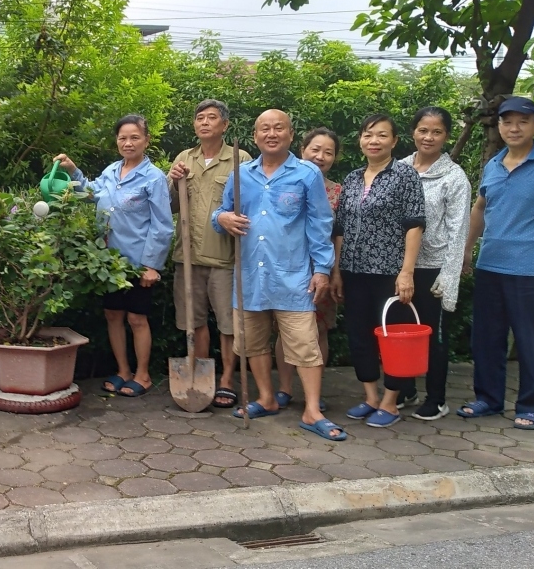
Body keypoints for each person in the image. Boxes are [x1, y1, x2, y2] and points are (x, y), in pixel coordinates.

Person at [211, 109, 344, 441]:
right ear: (255, 136)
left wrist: (323, 270)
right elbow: (220, 212)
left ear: (290, 133)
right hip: (250, 277)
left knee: (304, 345)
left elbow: (319, 224)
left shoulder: (306, 174)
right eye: (265, 129)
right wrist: (223, 219)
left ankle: (312, 410)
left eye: (279, 128)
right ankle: (266, 399)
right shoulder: (241, 175)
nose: (272, 134)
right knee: (253, 344)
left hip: (294, 276)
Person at [460, 97, 534, 430]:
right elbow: (480, 207)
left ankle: (531, 405)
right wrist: (467, 248)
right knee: (486, 337)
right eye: (507, 122)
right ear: (500, 126)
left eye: (523, 121)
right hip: (490, 264)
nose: (514, 128)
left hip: (528, 269)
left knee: (530, 339)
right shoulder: (494, 164)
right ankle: (488, 399)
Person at [54, 114, 173, 398]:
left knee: (137, 319)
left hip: (137, 264)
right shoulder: (111, 171)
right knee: (113, 315)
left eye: (134, 137)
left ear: (146, 140)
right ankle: (123, 371)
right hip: (108, 262)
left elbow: (162, 225)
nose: (128, 142)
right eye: (122, 138)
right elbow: (89, 193)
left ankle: (142, 375)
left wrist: (151, 265)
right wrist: (72, 171)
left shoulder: (153, 177)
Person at [331, 114, 425, 428]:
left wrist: (407, 272)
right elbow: (340, 228)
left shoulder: (405, 175)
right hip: (354, 270)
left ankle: (391, 402)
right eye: (368, 135)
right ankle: (370, 397)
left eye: (382, 135)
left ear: (395, 141)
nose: (374, 141)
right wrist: (338, 271)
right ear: (360, 140)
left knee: (393, 337)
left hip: (389, 271)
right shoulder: (353, 178)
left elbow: (414, 225)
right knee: (359, 335)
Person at [167, 99, 250, 409]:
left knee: (228, 324)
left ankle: (228, 378)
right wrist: (174, 180)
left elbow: (250, 203)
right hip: (187, 257)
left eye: (211, 118)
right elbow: (171, 205)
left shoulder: (239, 158)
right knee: (194, 321)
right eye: (199, 118)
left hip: (224, 258)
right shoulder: (184, 159)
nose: (204, 122)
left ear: (224, 125)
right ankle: (201, 375)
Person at [400, 107, 471, 421]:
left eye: (437, 131)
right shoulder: (400, 169)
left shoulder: (454, 177)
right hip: (402, 266)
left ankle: (437, 398)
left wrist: (449, 275)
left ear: (446, 136)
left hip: (434, 269)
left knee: (432, 336)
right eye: (423, 130)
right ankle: (404, 388)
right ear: (413, 131)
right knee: (402, 331)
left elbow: (459, 231)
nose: (428, 137)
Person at [275, 127, 341, 412]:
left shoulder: (338, 191)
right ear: (302, 150)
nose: (320, 156)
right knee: (284, 331)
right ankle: (284, 389)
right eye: (315, 149)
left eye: (328, 152)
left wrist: (334, 272)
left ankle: (313, 394)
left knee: (318, 331)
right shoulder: (281, 182)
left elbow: (338, 235)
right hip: (288, 267)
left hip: (321, 269)